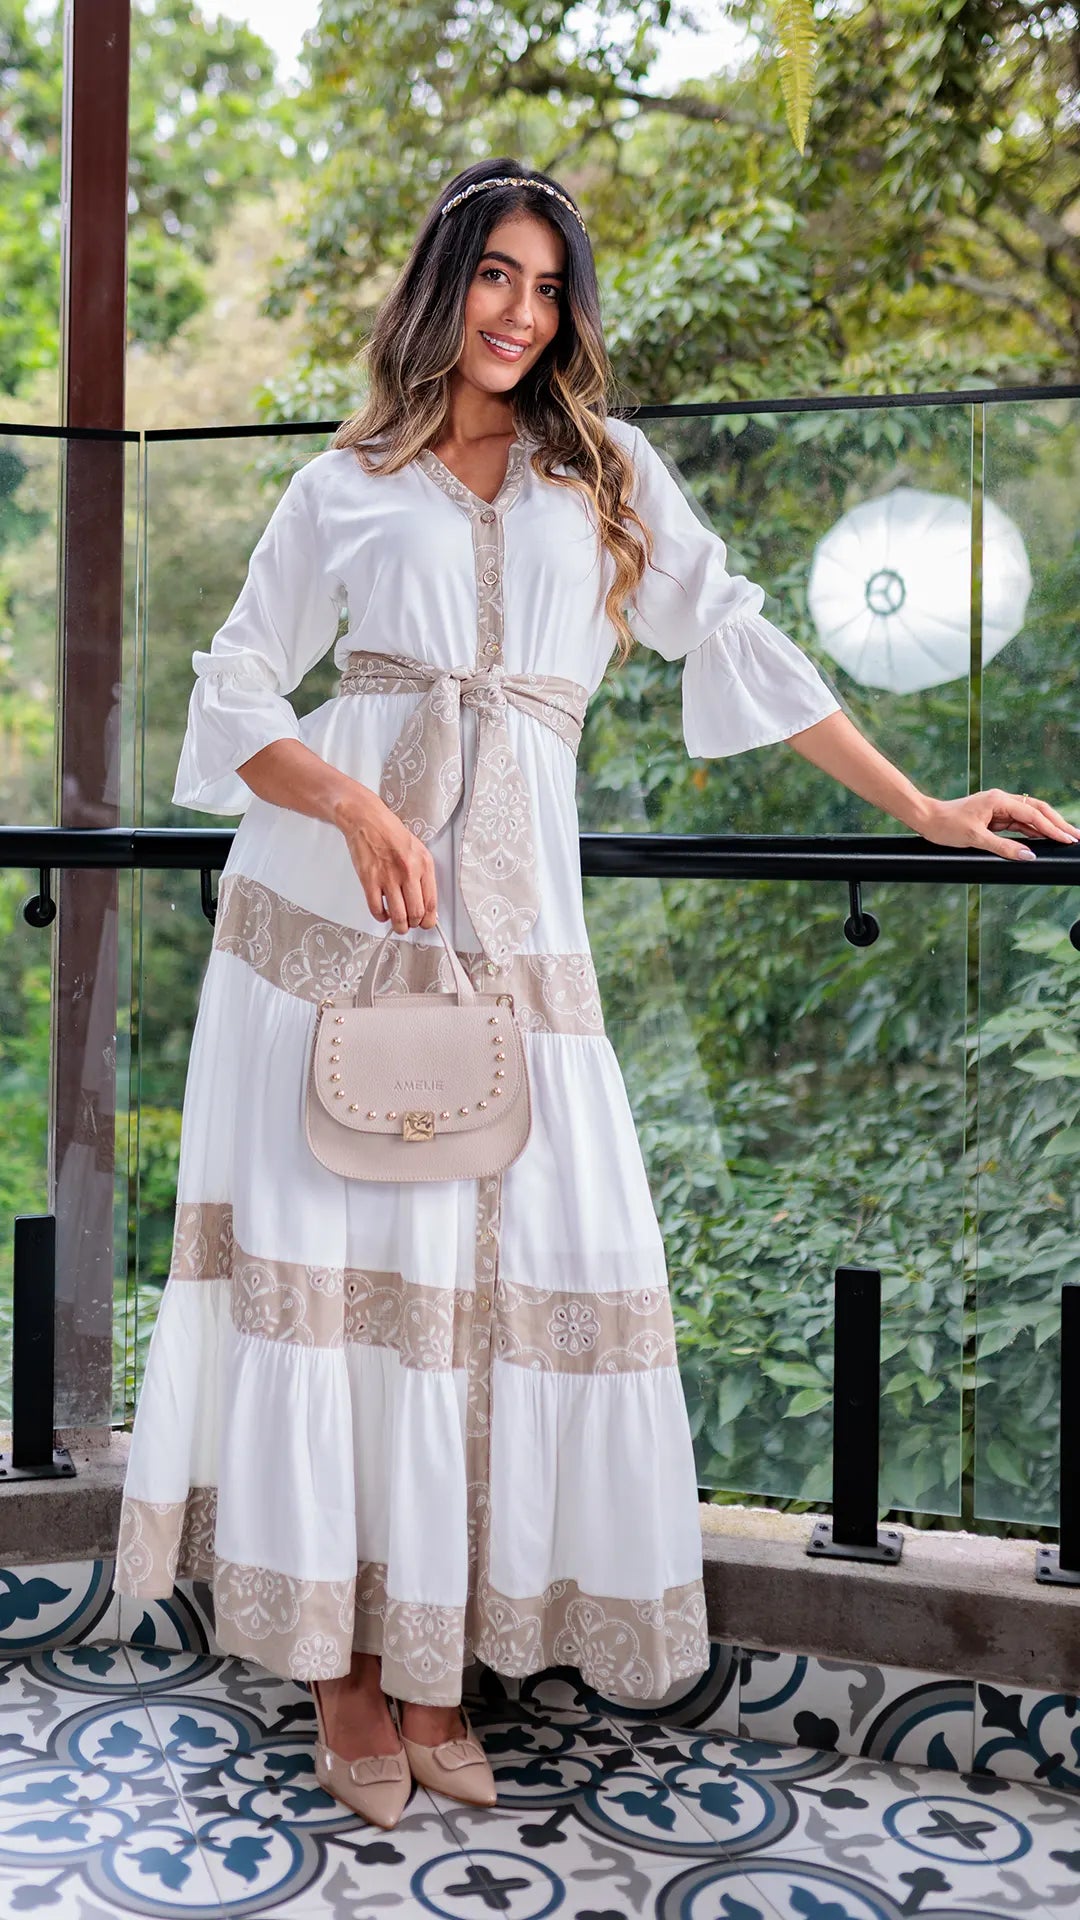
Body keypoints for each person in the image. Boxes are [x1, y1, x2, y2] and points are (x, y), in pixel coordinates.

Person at [113, 157, 1078, 1831]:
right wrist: (354, 808)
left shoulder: (607, 474)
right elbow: (236, 694)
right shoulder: (343, 485)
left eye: (549, 287)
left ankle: (433, 1673)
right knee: (340, 1292)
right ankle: (343, 1679)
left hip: (517, 945)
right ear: (444, 285)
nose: (521, 312)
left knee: (501, 1287)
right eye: (496, 274)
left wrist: (923, 805)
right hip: (331, 934)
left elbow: (744, 644)